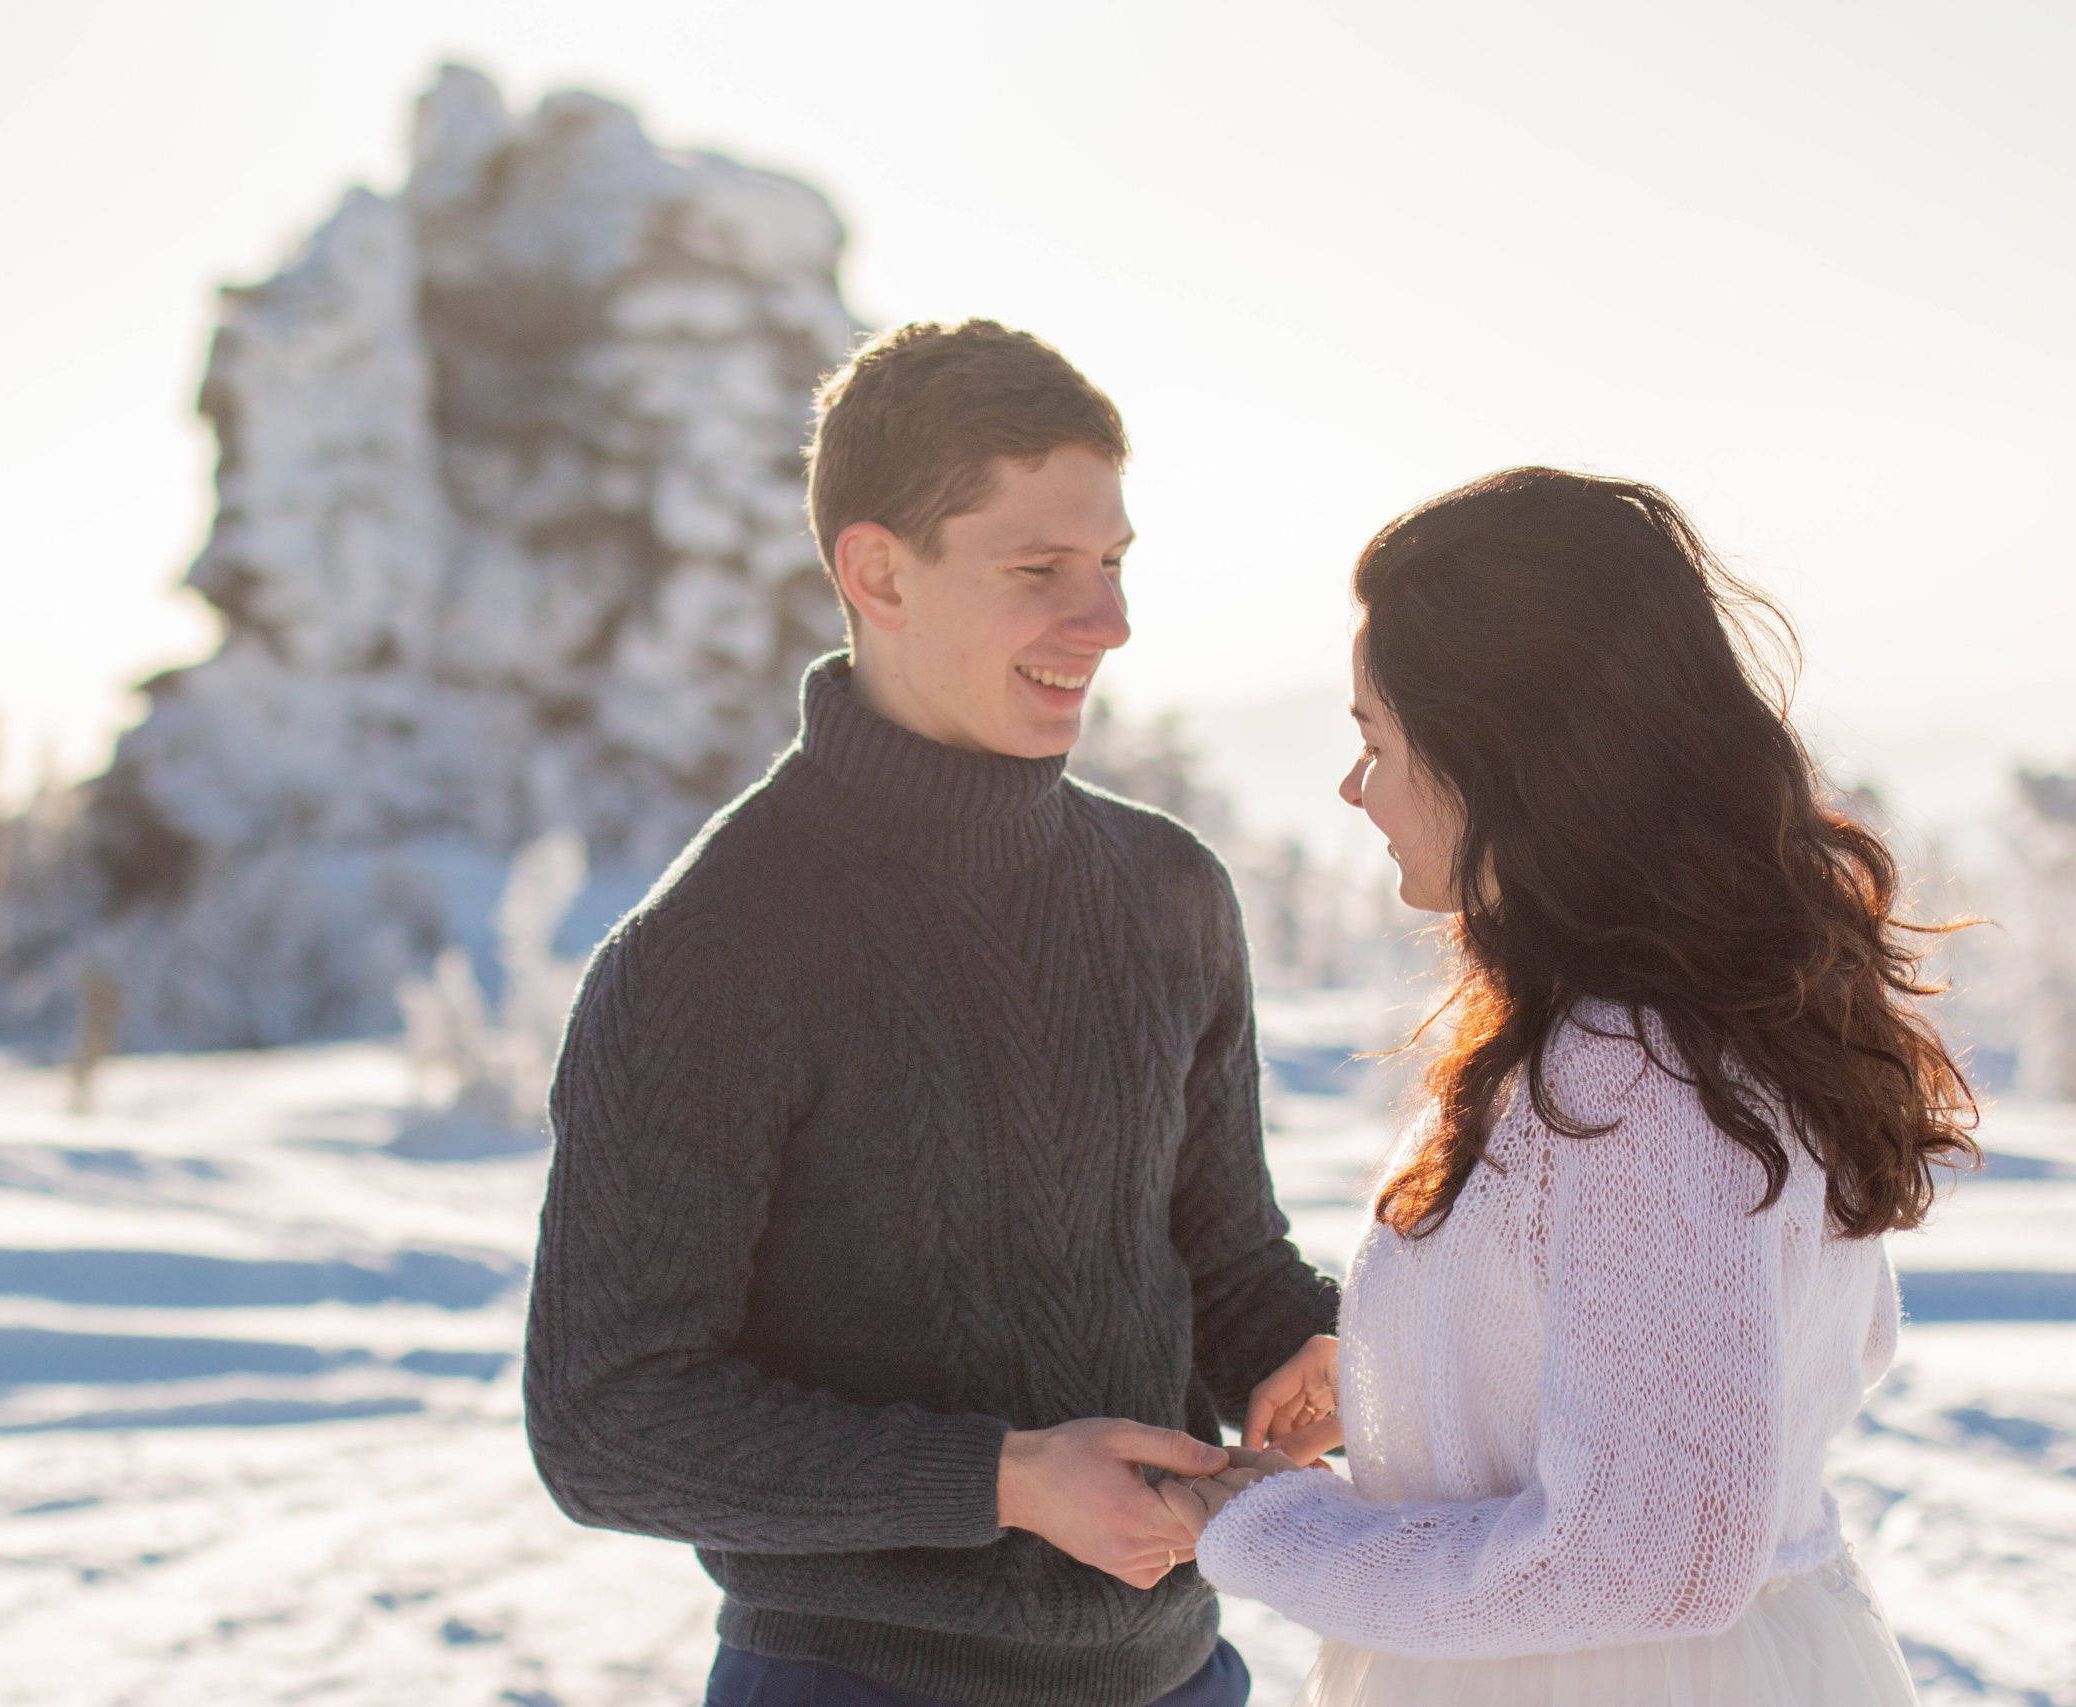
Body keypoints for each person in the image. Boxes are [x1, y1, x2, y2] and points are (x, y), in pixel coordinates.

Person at [523, 319, 1341, 1707]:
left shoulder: (1169, 887)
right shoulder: (715, 948)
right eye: (1040, 571)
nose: (1108, 622)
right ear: (876, 569)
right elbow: (608, 1419)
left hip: (1184, 1670)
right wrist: (1010, 1478)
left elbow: (1220, 1249)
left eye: (1114, 565)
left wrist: (1299, 1345)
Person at [1158, 467, 1971, 1705]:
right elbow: (1795, 1357)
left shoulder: (1633, 1069)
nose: (1350, 788)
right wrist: (1422, 1397)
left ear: (1497, 754)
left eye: (1374, 740)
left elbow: (1656, 1553)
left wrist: (1268, 1528)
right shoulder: (1689, 1022)